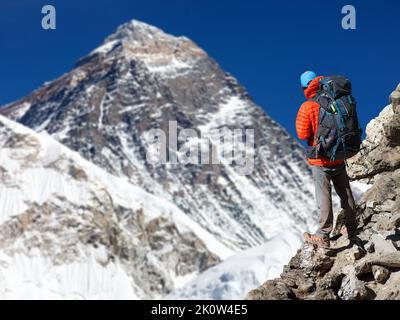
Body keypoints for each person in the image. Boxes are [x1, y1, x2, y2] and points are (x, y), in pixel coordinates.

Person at [296, 71, 358, 249]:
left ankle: (323, 235)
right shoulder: (336, 99)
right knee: (346, 194)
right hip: (339, 155)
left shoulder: (308, 106)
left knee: (324, 197)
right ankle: (352, 229)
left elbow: (302, 133)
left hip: (321, 160)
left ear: (305, 87)